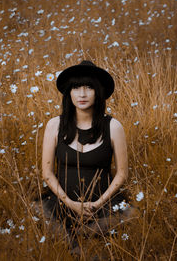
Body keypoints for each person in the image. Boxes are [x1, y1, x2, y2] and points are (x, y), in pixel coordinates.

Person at [37, 60, 134, 244]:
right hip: (63, 201)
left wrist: (98, 204)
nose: (82, 94)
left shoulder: (113, 126)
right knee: (42, 216)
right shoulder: (54, 125)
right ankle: (73, 241)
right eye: (76, 87)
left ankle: (81, 236)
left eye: (89, 87)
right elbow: (47, 173)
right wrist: (70, 203)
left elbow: (122, 174)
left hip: (103, 204)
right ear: (69, 93)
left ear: (99, 92)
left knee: (130, 215)